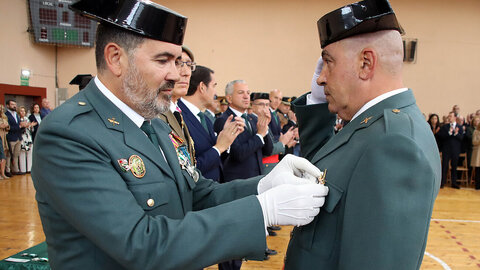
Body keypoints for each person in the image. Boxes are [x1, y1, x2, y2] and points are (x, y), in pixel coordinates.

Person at [31, 1, 329, 269]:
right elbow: (140, 245)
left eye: (177, 62)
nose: (175, 75)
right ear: (115, 58)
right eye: (163, 61)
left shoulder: (157, 124)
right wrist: (262, 211)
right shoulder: (70, 134)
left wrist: (263, 186)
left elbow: (199, 195)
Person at [284, 0, 441, 269]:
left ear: (366, 63)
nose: (321, 78)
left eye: (328, 63)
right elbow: (322, 170)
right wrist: (317, 104)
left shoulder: (395, 143)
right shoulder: (373, 126)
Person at [213, 81, 274, 270]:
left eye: (248, 93)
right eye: (241, 93)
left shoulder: (250, 119)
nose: (247, 96)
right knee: (230, 233)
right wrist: (259, 135)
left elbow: (267, 150)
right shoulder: (225, 120)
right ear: (229, 98)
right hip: (235, 182)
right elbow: (238, 153)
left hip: (251, 182)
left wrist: (265, 129)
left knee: (241, 233)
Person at [179, 66, 243, 182]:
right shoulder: (178, 116)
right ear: (202, 87)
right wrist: (219, 147)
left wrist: (227, 137)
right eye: (214, 86)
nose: (216, 93)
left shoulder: (205, 119)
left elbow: (215, 155)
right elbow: (188, 169)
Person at [158, 45, 196, 160]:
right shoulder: (154, 115)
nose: (186, 73)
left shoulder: (177, 112)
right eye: (178, 63)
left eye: (189, 65)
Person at [438, 111, 464, 188]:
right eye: (449, 116)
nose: (449, 117)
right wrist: (449, 132)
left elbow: (461, 138)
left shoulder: (459, 127)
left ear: (455, 117)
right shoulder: (445, 127)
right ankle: (442, 183)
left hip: (455, 150)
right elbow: (441, 136)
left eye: (451, 116)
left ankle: (454, 183)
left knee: (454, 166)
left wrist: (456, 133)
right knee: (444, 166)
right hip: (446, 149)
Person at [5, 100, 25, 176]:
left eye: (15, 104)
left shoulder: (16, 114)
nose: (14, 106)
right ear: (7, 106)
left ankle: (15, 169)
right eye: (12, 104)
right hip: (11, 137)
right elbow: (8, 127)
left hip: (18, 137)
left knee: (16, 154)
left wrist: (23, 126)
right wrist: (19, 126)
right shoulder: (6, 115)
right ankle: (7, 170)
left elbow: (19, 124)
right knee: (9, 155)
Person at [18, 106, 35, 173]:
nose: (23, 112)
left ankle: (29, 169)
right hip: (22, 137)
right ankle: (23, 169)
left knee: (29, 153)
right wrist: (23, 126)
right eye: (21, 111)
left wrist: (31, 126)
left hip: (28, 138)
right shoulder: (18, 119)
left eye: (24, 111)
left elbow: (31, 130)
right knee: (22, 153)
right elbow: (19, 129)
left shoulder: (27, 119)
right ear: (19, 112)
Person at [0, 105, 10, 179]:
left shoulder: (4, 117)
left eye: (3, 109)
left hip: (4, 138)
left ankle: (3, 173)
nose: (2, 110)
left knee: (4, 156)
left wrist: (6, 126)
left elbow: (7, 127)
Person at [470, 116, 480, 189]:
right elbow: (474, 142)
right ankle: (477, 185)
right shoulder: (476, 131)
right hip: (478, 153)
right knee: (478, 170)